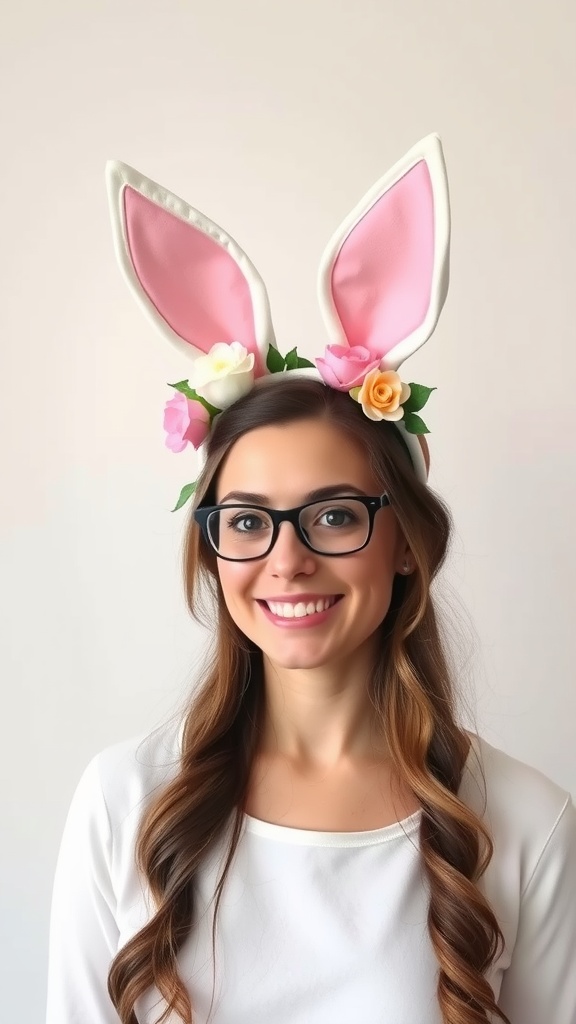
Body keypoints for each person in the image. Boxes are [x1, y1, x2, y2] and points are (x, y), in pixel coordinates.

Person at [47, 137, 576, 1024]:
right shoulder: (125, 800)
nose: (286, 560)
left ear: (402, 539)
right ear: (215, 548)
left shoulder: (524, 822)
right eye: (247, 521)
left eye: (333, 515)